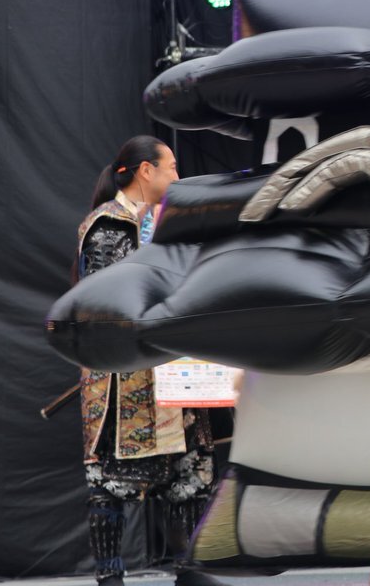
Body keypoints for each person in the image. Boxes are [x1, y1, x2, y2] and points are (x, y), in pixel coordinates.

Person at [76, 135, 220, 586]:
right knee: (110, 481)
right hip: (123, 381)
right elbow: (110, 298)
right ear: (146, 170)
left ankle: (189, 569)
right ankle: (110, 575)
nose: (177, 175)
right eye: (171, 167)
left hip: (173, 370)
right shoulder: (108, 225)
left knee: (190, 473)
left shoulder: (168, 221)